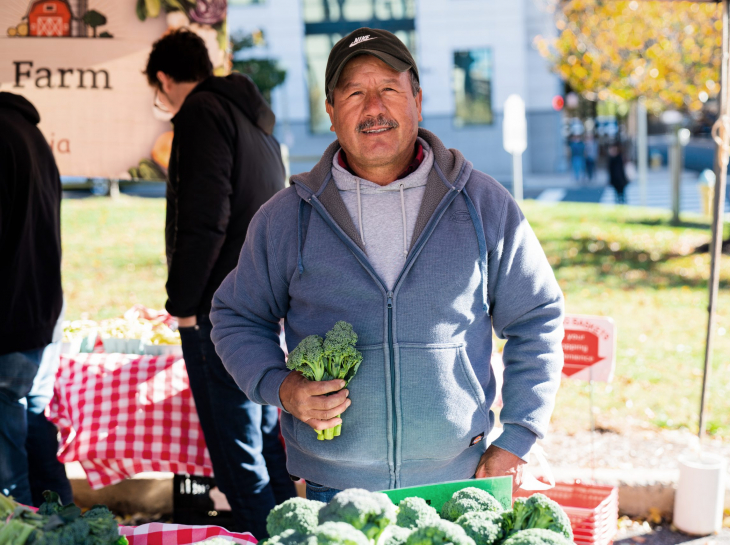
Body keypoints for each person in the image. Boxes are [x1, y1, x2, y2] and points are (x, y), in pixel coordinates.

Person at [210, 28, 564, 503]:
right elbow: (236, 316)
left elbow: (537, 317)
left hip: (460, 481)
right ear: (331, 112)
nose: (374, 107)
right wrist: (281, 387)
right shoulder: (286, 217)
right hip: (333, 488)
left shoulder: (483, 205)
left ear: (417, 99)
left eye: (390, 89)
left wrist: (518, 438)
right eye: (355, 92)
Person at [144, 30, 295, 537]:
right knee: (265, 439)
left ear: (164, 79)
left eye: (156, 92)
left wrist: (183, 303)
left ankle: (264, 537)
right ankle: (291, 533)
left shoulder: (201, 114)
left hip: (219, 309)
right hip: (262, 303)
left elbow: (204, 218)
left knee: (237, 453)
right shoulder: (253, 121)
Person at [0, 92, 73, 505]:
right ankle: (61, 523)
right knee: (36, 425)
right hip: (42, 310)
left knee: (8, 466)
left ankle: (22, 527)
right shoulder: (30, 134)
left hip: (10, 318)